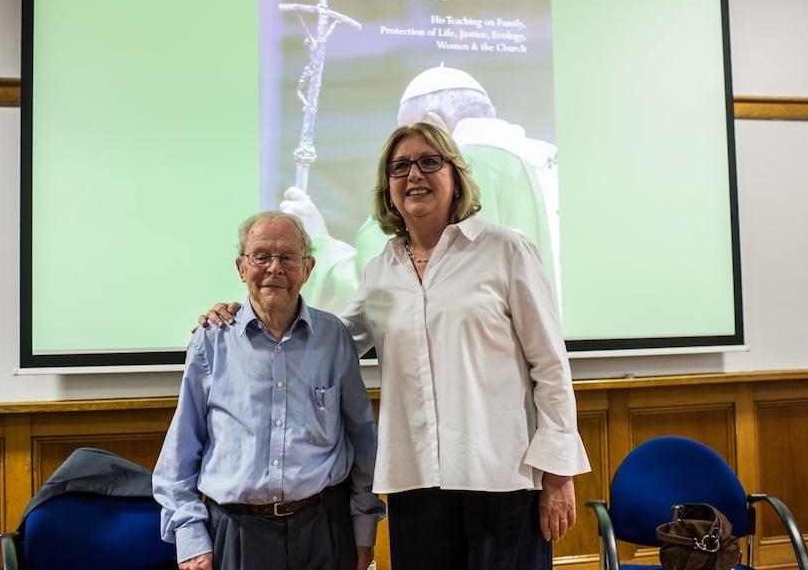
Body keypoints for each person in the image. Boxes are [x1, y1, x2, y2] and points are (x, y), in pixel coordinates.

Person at [207, 123, 590, 569]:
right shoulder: (380, 270)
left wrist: (559, 474)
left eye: (430, 162)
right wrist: (248, 312)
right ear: (388, 189)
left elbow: (550, 366)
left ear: (455, 176)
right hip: (416, 484)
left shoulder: (505, 250)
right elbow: (324, 336)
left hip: (503, 478)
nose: (414, 175)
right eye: (400, 167)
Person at [154, 211, 384, 570]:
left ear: (308, 269)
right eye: (261, 256)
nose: (274, 268)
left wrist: (364, 529)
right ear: (241, 267)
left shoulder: (334, 338)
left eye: (288, 257)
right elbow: (179, 456)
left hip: (325, 531)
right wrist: (191, 540)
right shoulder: (210, 343)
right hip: (236, 535)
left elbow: (363, 442)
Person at [284, 65, 561, 316]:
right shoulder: (550, 164)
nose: (412, 170)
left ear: (432, 123)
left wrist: (316, 242)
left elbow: (377, 293)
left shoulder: (435, 180)